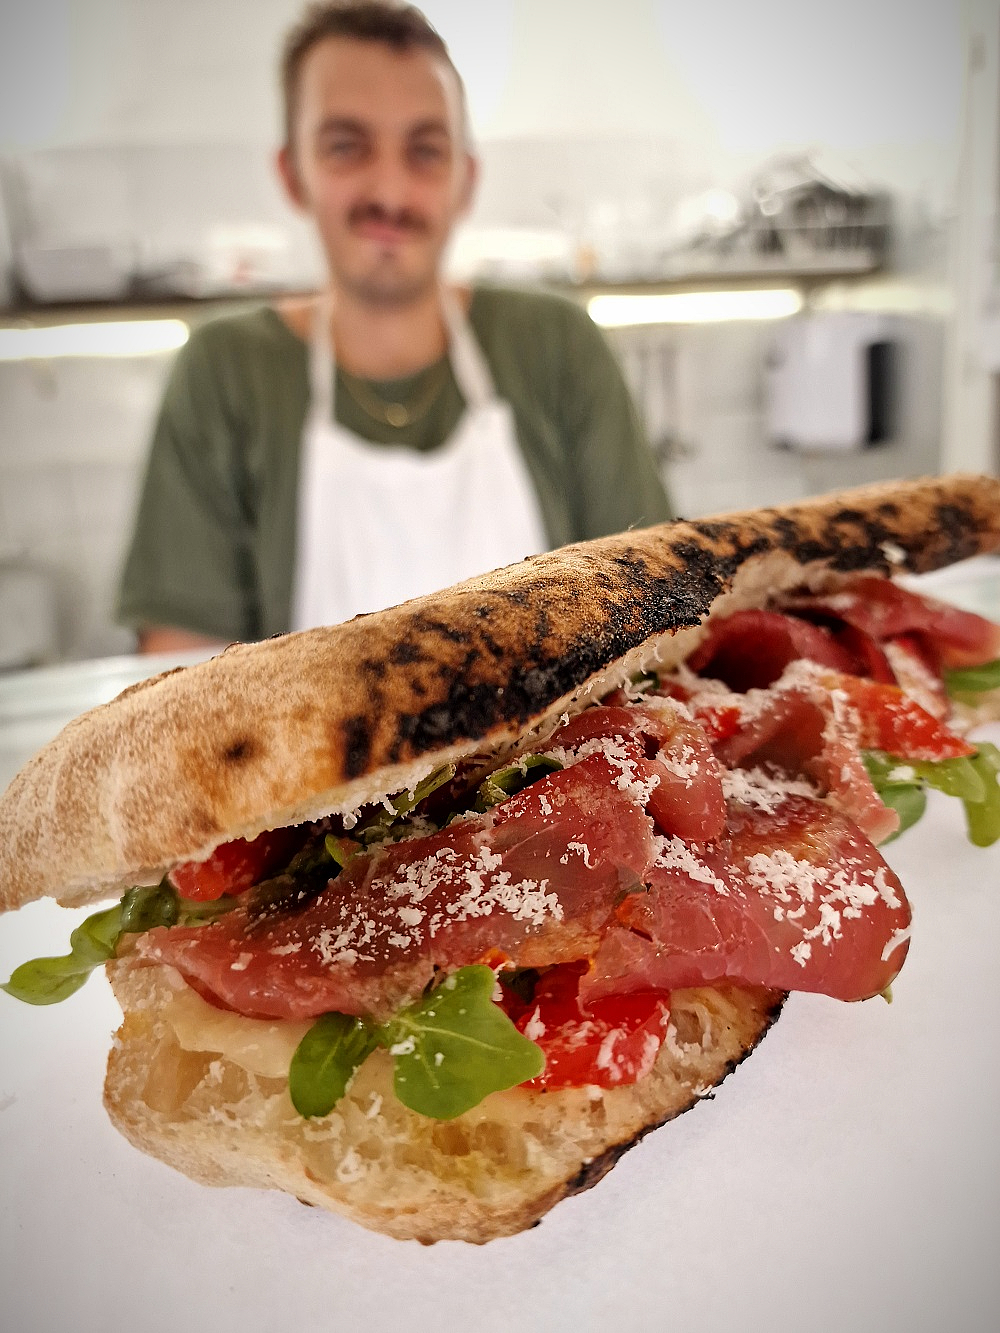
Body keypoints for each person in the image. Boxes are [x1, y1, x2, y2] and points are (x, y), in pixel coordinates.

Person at [117, 1, 672, 653]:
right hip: (315, 757)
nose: (390, 190)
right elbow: (182, 671)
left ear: (465, 180)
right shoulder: (227, 371)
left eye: (425, 150)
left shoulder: (556, 344)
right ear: (293, 173)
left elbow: (653, 610)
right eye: (347, 147)